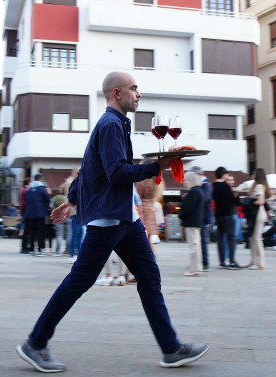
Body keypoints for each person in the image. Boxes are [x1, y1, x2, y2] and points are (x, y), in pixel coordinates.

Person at [16, 72, 208, 373]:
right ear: (117, 93)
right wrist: (155, 166)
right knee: (79, 281)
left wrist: (73, 199)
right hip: (110, 219)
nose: (138, 94)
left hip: (124, 218)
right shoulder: (110, 125)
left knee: (149, 276)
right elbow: (116, 172)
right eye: (134, 89)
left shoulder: (114, 124)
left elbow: (88, 165)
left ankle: (171, 348)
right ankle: (36, 343)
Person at [212, 166, 241, 269]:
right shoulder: (225, 186)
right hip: (227, 214)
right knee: (231, 238)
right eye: (227, 175)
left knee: (220, 239)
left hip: (218, 214)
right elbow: (234, 201)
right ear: (223, 175)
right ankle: (232, 261)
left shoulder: (213, 185)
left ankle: (222, 261)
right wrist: (236, 195)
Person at [179, 172, 204, 276]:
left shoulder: (193, 192)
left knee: (193, 246)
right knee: (196, 245)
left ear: (190, 180)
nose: (183, 182)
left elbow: (189, 208)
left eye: (185, 180)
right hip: (196, 222)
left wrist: (181, 215)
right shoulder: (199, 191)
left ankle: (194, 269)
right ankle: (198, 267)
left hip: (191, 222)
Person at [245, 168, 270, 270]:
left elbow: (260, 201)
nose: (252, 174)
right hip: (258, 213)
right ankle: (254, 261)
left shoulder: (259, 186)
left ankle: (260, 263)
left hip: (258, 212)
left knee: (256, 238)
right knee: (253, 238)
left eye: (254, 173)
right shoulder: (258, 185)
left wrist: (251, 202)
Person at [190, 166, 212, 271]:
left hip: (203, 216)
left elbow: (205, 199)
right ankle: (198, 262)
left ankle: (204, 262)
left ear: (197, 174)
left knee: (202, 240)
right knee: (198, 240)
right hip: (199, 216)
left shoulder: (206, 185)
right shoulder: (200, 185)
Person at [23, 173, 51, 257]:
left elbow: (26, 201)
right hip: (40, 213)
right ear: (41, 179)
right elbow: (47, 199)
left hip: (30, 214)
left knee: (32, 232)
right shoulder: (42, 189)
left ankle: (32, 249)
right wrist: (46, 207)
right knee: (40, 232)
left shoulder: (29, 190)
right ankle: (40, 249)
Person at [61, 168, 82, 263]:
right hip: (75, 210)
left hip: (74, 210)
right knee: (75, 233)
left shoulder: (68, 182)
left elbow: (61, 189)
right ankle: (72, 254)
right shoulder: (72, 182)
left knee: (77, 233)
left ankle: (74, 253)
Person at [20, 177, 33, 253]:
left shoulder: (23, 190)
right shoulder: (26, 190)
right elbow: (24, 203)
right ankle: (24, 247)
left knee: (26, 230)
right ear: (28, 182)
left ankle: (24, 247)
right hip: (27, 212)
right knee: (27, 231)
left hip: (25, 211)